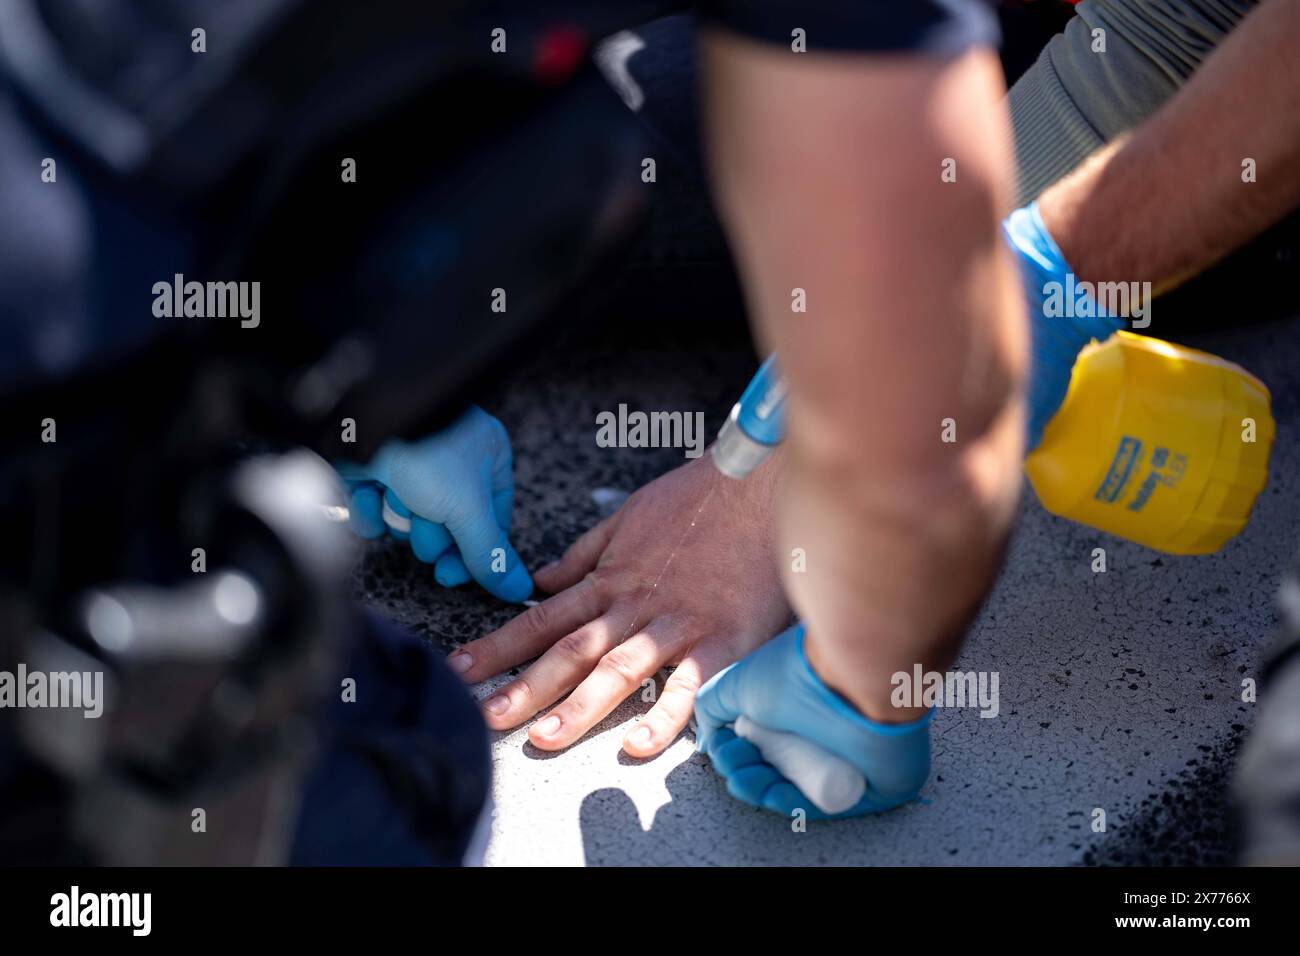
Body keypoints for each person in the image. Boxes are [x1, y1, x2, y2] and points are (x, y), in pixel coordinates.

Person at [359, 0, 1300, 817]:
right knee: (482, 176)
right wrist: (367, 360)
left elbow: (1178, 34)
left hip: (1217, 89)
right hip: (969, 33)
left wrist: (787, 483)